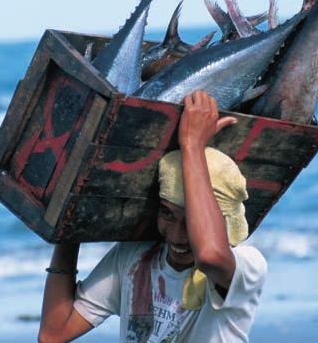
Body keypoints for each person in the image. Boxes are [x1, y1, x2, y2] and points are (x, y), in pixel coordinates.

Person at [38, 90, 267, 343]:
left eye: (190, 220)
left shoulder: (247, 266)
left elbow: (209, 255)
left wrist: (192, 143)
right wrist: (69, 224)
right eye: (168, 214)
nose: (178, 236)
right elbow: (53, 333)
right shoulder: (135, 259)